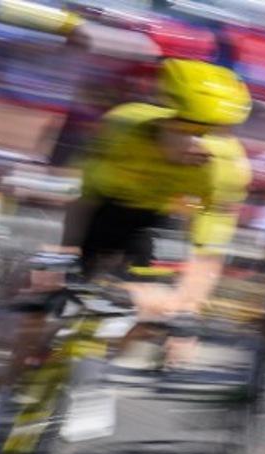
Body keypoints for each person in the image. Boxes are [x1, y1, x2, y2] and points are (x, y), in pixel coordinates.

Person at [60, 58, 253, 366]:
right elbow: (84, 202)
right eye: (189, 129)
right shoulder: (122, 129)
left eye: (216, 133)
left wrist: (188, 310)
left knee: (160, 308)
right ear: (165, 117)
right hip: (108, 210)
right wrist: (64, 258)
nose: (202, 145)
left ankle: (98, 369)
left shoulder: (225, 168)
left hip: (162, 220)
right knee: (47, 298)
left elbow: (208, 251)